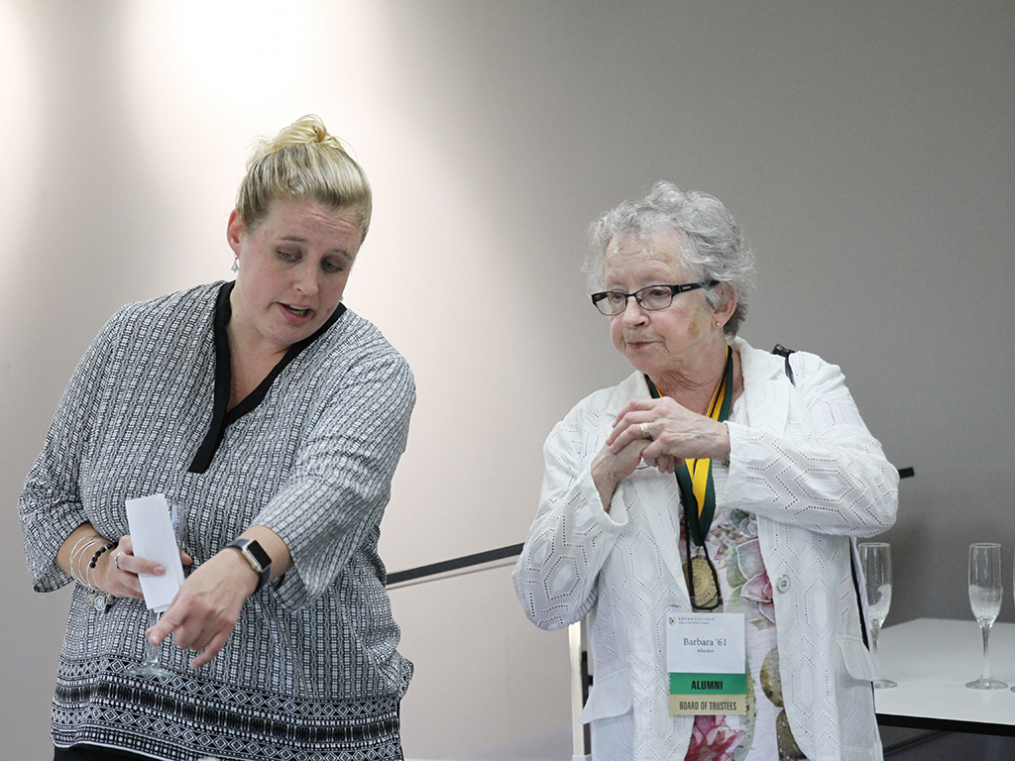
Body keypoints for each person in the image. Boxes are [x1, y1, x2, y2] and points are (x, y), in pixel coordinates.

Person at [20, 116, 415, 761]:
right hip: (114, 718)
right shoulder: (134, 340)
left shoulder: (368, 371)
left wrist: (244, 564)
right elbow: (46, 498)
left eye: (333, 264)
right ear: (238, 232)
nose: (308, 286)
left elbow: (332, 487)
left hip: (301, 732)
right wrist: (100, 565)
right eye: (289, 254)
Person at [513, 182, 899, 761]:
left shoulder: (803, 386)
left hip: (802, 732)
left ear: (721, 301)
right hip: (660, 737)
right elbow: (545, 603)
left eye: (656, 293)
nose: (632, 317)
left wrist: (723, 442)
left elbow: (874, 501)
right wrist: (600, 481)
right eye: (616, 298)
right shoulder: (587, 428)